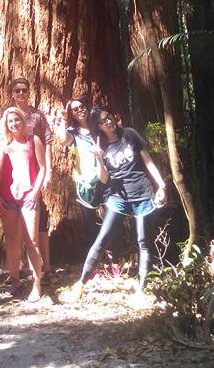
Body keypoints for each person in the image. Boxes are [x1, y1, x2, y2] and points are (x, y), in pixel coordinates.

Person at [66, 108, 167, 301]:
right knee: (102, 239)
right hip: (117, 197)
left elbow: (148, 161)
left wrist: (161, 185)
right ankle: (80, 284)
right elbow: (104, 179)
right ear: (98, 126)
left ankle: (142, 290)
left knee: (143, 241)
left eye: (109, 117)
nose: (108, 122)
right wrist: (98, 159)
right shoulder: (100, 145)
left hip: (142, 194)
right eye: (103, 121)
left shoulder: (129, 134)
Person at [0, 106, 45, 303]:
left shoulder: (33, 141)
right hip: (8, 198)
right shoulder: (4, 146)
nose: (14, 124)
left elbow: (42, 168)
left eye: (17, 120)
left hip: (28, 197)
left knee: (31, 240)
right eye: (10, 122)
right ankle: (15, 279)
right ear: (6, 125)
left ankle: (37, 284)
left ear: (23, 121)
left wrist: (35, 191)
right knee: (12, 240)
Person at [7, 77, 53, 276]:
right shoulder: (8, 115)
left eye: (24, 90)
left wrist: (49, 170)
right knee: (16, 225)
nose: (21, 94)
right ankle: (18, 268)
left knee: (38, 222)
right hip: (15, 177)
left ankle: (46, 267)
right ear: (12, 93)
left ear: (29, 92)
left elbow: (48, 141)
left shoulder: (37, 116)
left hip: (35, 176)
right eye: (17, 90)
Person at [55, 97, 106, 246]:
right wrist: (63, 123)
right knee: (91, 225)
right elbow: (63, 140)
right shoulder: (74, 132)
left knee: (110, 220)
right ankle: (98, 262)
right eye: (75, 109)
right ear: (73, 114)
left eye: (82, 106)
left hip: (105, 178)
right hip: (86, 182)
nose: (80, 110)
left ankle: (115, 259)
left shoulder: (98, 127)